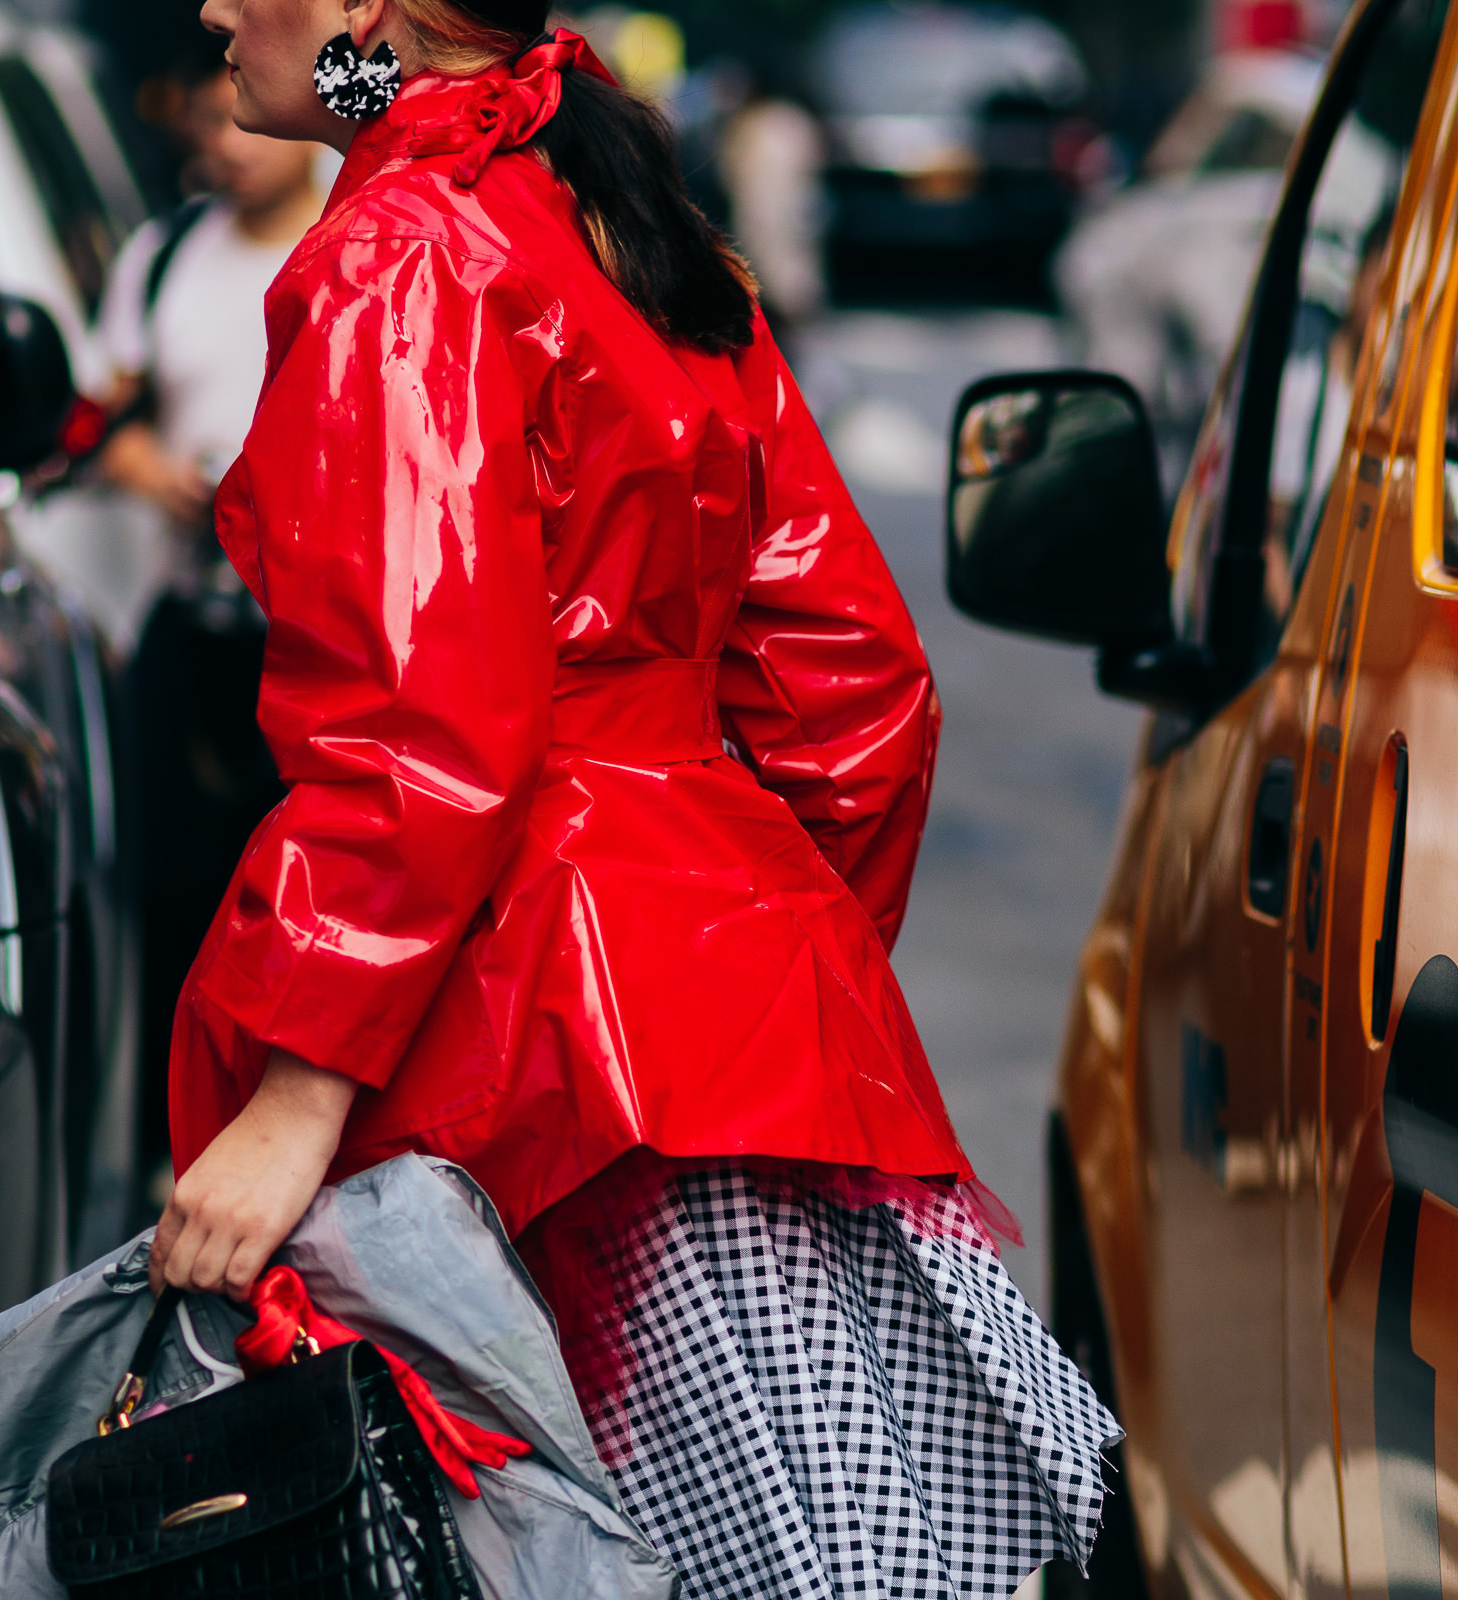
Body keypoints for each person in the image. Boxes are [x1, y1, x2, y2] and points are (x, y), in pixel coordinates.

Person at [149, 0, 1122, 1591]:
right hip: (733, 1027)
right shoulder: (614, 214)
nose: (207, 9)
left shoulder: (405, 252)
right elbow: (859, 689)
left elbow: (425, 719)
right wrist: (757, 979)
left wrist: (299, 1092)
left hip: (520, 1063)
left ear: (361, 11)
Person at [94, 63, 325, 1198]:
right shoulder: (168, 253)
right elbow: (103, 421)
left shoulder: (357, 231)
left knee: (309, 897)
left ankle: (293, 1139)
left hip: (311, 638)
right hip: (190, 624)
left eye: (239, 95)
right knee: (178, 897)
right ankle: (171, 1157)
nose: (225, 133)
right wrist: (160, 477)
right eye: (207, 106)